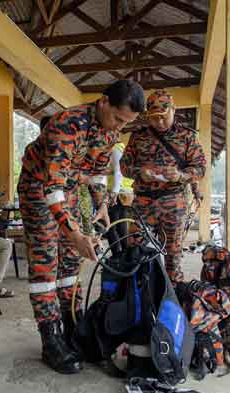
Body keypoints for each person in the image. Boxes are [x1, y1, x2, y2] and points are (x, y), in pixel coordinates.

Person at [18, 80, 144, 374]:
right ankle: (50, 339)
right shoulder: (67, 125)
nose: (118, 127)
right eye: (117, 118)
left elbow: (98, 173)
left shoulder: (110, 131)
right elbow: (53, 186)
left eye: (126, 124)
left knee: (72, 262)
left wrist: (101, 205)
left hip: (71, 191)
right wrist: (72, 232)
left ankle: (72, 327)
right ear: (103, 102)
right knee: (46, 265)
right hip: (40, 190)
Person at [121, 89, 207, 285]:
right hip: (143, 202)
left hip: (174, 203)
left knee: (173, 256)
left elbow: (200, 168)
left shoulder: (187, 137)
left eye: (163, 117)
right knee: (135, 251)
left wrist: (181, 175)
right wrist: (139, 172)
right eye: (154, 118)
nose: (159, 122)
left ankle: (172, 300)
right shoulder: (138, 137)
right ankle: (138, 296)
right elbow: (124, 166)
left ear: (174, 110)